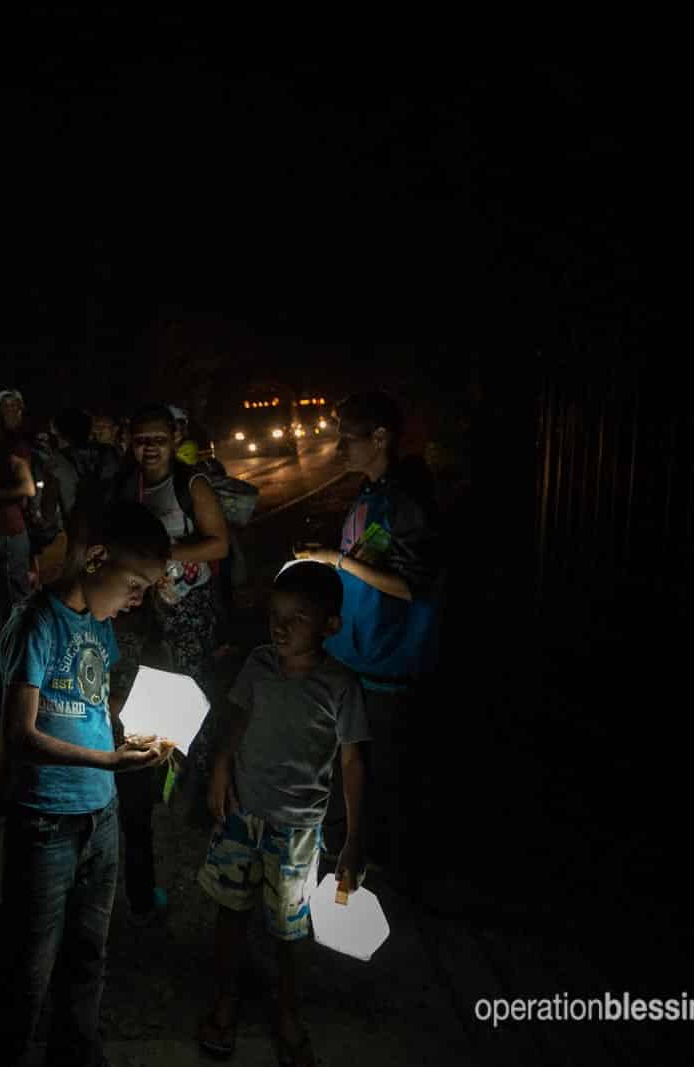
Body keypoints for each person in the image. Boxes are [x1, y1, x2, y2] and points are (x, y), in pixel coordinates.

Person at [0, 500, 175, 1067]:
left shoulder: (97, 629)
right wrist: (108, 762)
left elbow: (97, 702)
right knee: (26, 965)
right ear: (97, 558)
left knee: (89, 952)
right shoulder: (36, 623)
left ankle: (77, 1053)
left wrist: (131, 736)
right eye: (135, 584)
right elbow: (21, 734)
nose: (138, 599)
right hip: (45, 821)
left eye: (147, 589)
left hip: (99, 818)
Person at [196, 561, 370, 1065]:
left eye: (298, 617)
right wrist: (222, 767)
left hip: (297, 830)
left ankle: (289, 1012)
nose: (281, 626)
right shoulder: (259, 664)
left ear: (330, 625)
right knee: (230, 912)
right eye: (277, 615)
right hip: (241, 815)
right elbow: (238, 718)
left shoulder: (340, 686)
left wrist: (355, 837)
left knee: (289, 930)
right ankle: (226, 1001)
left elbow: (354, 762)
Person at [292, 391, 441, 880]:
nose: (339, 449)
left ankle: (391, 875)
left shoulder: (407, 500)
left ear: (381, 438)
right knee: (351, 763)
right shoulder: (373, 493)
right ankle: (349, 853)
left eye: (348, 439)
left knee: (385, 775)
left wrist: (335, 560)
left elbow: (411, 585)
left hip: (389, 664)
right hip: (357, 655)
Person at [112, 403, 230, 925]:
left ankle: (195, 787)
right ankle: (154, 773)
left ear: (175, 436)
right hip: (143, 611)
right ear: (128, 441)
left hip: (189, 610)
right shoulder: (125, 485)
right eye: (141, 439)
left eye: (158, 438)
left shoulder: (191, 485)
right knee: (140, 694)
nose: (150, 448)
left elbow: (219, 543)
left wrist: (164, 551)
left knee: (194, 694)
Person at [0, 399, 37, 623]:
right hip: (0, 530)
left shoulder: (12, 447)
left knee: (16, 593)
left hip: (11, 530)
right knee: (3, 593)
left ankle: (26, 641)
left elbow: (28, 488)